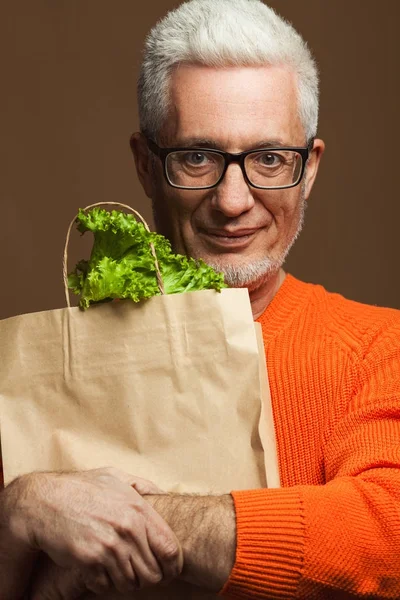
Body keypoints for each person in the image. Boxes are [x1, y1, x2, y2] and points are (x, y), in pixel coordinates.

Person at [2, 0, 400, 598]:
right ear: (145, 165)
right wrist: (18, 511)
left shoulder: (378, 349)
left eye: (270, 158)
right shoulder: (52, 375)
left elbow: (382, 534)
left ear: (310, 169)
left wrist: (141, 525)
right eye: (198, 157)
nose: (234, 200)